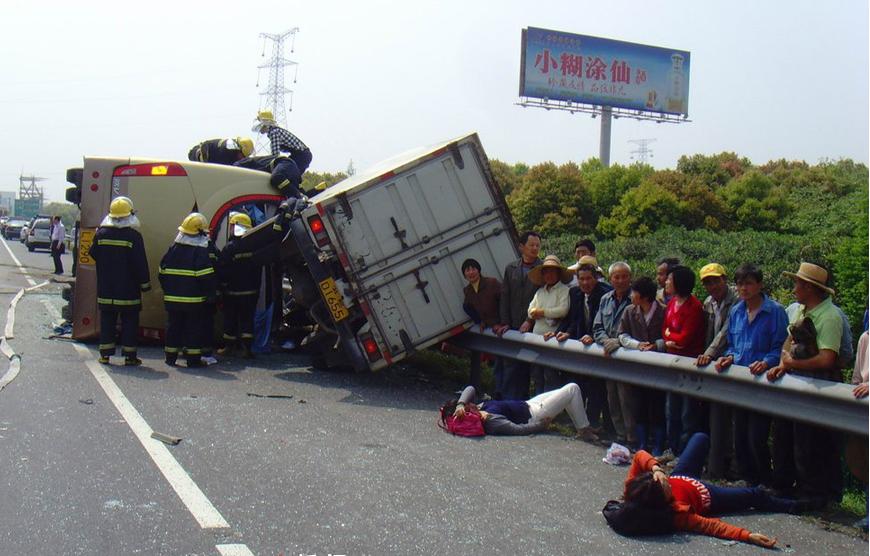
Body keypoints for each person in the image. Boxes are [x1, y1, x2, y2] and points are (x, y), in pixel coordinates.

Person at [616, 432, 802, 547]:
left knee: (700, 438)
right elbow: (712, 527)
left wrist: (656, 469)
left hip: (683, 474)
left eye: (664, 480)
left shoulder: (634, 490)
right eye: (667, 488)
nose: (667, 482)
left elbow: (640, 455)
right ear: (663, 501)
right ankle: (793, 506)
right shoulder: (677, 514)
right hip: (709, 494)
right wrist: (747, 535)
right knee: (756, 494)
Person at [767, 262, 845, 503]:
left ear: (810, 288)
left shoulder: (830, 317)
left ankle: (814, 493)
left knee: (811, 443)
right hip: (795, 385)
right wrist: (783, 365)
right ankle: (786, 486)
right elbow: (787, 346)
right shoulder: (799, 312)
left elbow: (827, 358)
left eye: (798, 284)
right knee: (786, 438)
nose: (794, 288)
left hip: (817, 387)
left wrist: (792, 364)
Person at [713, 264, 788, 488]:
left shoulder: (775, 311)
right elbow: (735, 346)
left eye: (748, 283)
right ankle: (749, 480)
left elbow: (781, 347)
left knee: (757, 436)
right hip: (741, 382)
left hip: (763, 383)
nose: (743, 288)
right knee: (740, 436)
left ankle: (765, 481)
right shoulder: (737, 311)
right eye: (740, 284)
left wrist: (766, 361)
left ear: (759, 285)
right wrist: (728, 357)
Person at [548, 260, 612, 432]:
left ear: (596, 278)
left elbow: (604, 322)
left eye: (589, 279)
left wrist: (592, 336)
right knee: (577, 383)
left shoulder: (605, 294)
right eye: (581, 279)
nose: (585, 283)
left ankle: (594, 423)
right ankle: (579, 421)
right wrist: (564, 332)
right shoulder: (574, 292)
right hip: (579, 345)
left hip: (597, 345)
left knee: (596, 387)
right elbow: (572, 318)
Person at [88, 197, 151, 366]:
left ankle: (105, 355)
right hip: (128, 290)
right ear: (129, 215)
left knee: (107, 321)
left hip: (106, 289)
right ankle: (130, 357)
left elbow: (92, 253)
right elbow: (140, 263)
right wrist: (145, 284)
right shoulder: (134, 236)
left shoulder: (100, 234)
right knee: (130, 322)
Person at [695, 263, 740, 479]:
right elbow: (706, 332)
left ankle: (729, 465)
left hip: (729, 361)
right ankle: (716, 463)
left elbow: (725, 332)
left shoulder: (737, 302)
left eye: (715, 280)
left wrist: (709, 354)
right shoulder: (708, 303)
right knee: (714, 417)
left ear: (724, 278)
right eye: (707, 282)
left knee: (730, 420)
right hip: (712, 364)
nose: (712, 285)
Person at [159, 213, 217, 368]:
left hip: (172, 300)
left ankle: (170, 357)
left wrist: (169, 290)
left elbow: (162, 272)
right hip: (194, 301)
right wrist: (211, 295)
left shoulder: (172, 249)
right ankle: (193, 360)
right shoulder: (200, 252)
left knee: (173, 327)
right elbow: (206, 277)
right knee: (193, 329)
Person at [617, 276, 666, 454]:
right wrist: (637, 345)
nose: (631, 295)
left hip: (659, 367)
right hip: (637, 367)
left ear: (645, 296)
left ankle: (659, 446)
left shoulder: (664, 311)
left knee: (657, 407)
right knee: (639, 406)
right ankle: (642, 445)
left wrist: (657, 345)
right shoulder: (630, 311)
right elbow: (621, 335)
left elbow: (669, 337)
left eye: (634, 292)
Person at [662, 265, 706, 454]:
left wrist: (671, 337)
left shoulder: (694, 306)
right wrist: (670, 337)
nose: (666, 283)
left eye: (669, 280)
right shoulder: (672, 302)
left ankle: (684, 452)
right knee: (671, 410)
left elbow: (685, 338)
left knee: (687, 413)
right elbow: (664, 330)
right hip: (673, 363)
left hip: (689, 364)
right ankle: (671, 448)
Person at [493, 231, 543, 399]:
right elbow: (505, 296)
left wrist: (530, 320)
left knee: (529, 368)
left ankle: (525, 404)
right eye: (531, 245)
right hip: (513, 325)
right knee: (510, 366)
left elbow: (543, 299)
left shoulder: (543, 269)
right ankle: (507, 401)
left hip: (535, 327)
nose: (535, 248)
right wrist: (504, 321)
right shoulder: (511, 268)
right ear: (522, 247)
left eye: (537, 245)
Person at [441, 384, 594, 438]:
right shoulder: (490, 420)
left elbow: (470, 388)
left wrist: (460, 404)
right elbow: (516, 429)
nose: (470, 403)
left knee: (565, 393)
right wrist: (540, 425)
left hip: (529, 404)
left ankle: (582, 427)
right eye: (468, 405)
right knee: (572, 389)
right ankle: (584, 430)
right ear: (468, 413)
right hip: (535, 415)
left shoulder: (478, 408)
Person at [593, 262, 636, 446]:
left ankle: (632, 437)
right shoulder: (605, 299)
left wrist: (618, 342)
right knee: (612, 396)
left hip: (626, 356)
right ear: (610, 279)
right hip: (608, 355)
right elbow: (597, 326)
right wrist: (605, 341)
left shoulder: (635, 299)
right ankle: (620, 435)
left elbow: (638, 330)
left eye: (624, 276)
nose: (620, 280)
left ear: (630, 278)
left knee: (627, 398)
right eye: (616, 277)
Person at [217, 212, 261, 359]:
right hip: (251, 292)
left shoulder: (229, 248)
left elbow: (222, 270)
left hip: (232, 292)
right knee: (247, 320)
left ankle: (229, 347)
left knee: (230, 320)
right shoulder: (254, 246)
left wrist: (221, 286)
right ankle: (246, 349)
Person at [526, 255, 572, 395]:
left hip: (553, 339)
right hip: (537, 338)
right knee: (537, 375)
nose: (549, 275)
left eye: (553, 271)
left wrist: (543, 312)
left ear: (558, 273)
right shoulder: (540, 292)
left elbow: (563, 310)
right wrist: (536, 313)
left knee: (551, 375)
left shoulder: (564, 290)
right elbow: (530, 311)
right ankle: (539, 407)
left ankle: (551, 410)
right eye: (546, 271)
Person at [461, 258, 502, 394]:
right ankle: (495, 392)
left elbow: (504, 302)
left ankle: (501, 393)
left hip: (501, 327)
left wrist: (502, 321)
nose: (471, 272)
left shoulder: (492, 283)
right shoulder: (468, 290)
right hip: (488, 328)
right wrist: (480, 321)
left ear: (479, 270)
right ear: (465, 274)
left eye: (473, 269)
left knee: (502, 364)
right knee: (496, 363)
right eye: (467, 270)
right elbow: (467, 307)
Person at [252, 110, 313, 200]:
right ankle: (303, 195)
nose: (260, 129)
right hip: (301, 155)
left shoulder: (274, 133)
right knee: (291, 178)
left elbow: (275, 156)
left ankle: (300, 198)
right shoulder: (275, 131)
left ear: (266, 123)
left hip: (301, 155)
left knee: (285, 176)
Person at [188, 137, 254, 165]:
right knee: (195, 154)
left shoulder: (231, 146)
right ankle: (200, 155)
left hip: (211, 151)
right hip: (203, 152)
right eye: (242, 155)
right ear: (238, 150)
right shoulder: (228, 152)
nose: (242, 158)